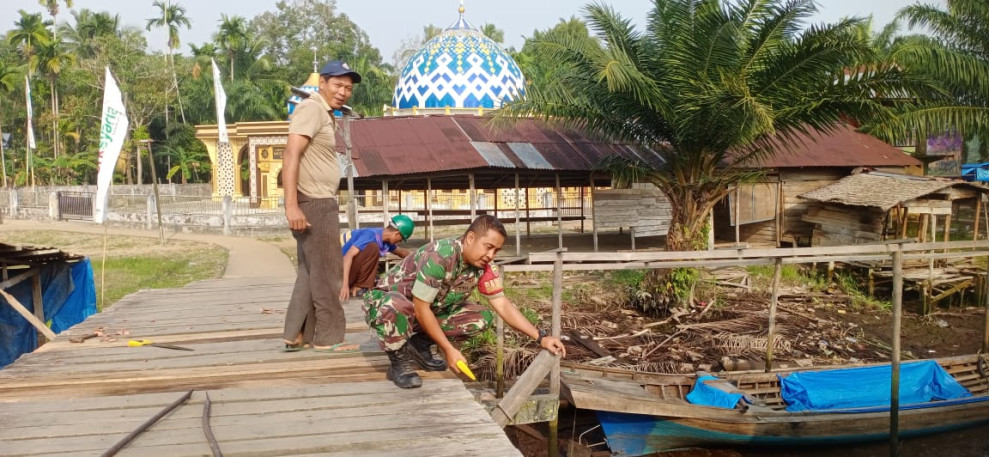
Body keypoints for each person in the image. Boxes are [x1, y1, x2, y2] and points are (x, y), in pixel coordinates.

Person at [362, 215, 566, 389]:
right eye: (488, 247)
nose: (491, 255)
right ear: (470, 237)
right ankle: (399, 361)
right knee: (395, 304)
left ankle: (418, 347)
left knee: (481, 317)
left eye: (496, 251)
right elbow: (421, 307)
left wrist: (540, 338)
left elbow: (502, 304)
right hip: (386, 306)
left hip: (420, 312)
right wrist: (449, 350)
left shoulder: (484, 266)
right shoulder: (440, 255)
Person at [281, 60, 361, 353]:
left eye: (348, 88)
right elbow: (291, 154)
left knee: (311, 269)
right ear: (323, 83)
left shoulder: (325, 114)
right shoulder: (312, 109)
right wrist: (292, 206)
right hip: (313, 200)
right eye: (338, 85)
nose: (343, 92)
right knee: (328, 271)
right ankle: (329, 338)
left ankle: (296, 332)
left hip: (315, 200)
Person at [339, 215, 415, 301]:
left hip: (344, 272)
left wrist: (421, 255)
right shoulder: (370, 235)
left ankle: (356, 287)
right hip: (335, 273)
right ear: (396, 233)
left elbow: (402, 252)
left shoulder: (384, 240)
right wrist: (344, 285)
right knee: (372, 248)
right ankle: (360, 287)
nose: (399, 242)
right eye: (401, 239)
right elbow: (348, 256)